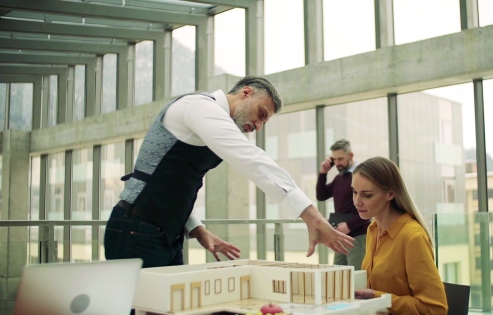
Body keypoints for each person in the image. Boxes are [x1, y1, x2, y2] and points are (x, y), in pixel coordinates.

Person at [104, 76, 354, 268]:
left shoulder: (211, 121)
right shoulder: (199, 107)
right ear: (246, 93)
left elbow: (174, 183)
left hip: (163, 232)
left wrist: (196, 228)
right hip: (136, 229)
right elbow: (251, 159)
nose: (257, 126)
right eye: (260, 115)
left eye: (263, 123)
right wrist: (312, 216)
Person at [352, 157, 447, 315]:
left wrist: (377, 297)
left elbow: (435, 308)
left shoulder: (412, 236)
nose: (357, 201)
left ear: (390, 194)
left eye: (367, 195)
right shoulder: (373, 229)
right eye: (354, 192)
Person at [316, 139, 370, 270]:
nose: (337, 163)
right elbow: (321, 195)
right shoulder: (340, 178)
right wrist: (323, 173)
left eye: (340, 159)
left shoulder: (362, 176)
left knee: (356, 278)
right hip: (341, 235)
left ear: (350, 155)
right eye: (334, 159)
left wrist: (348, 225)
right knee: (339, 276)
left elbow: (369, 209)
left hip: (358, 236)